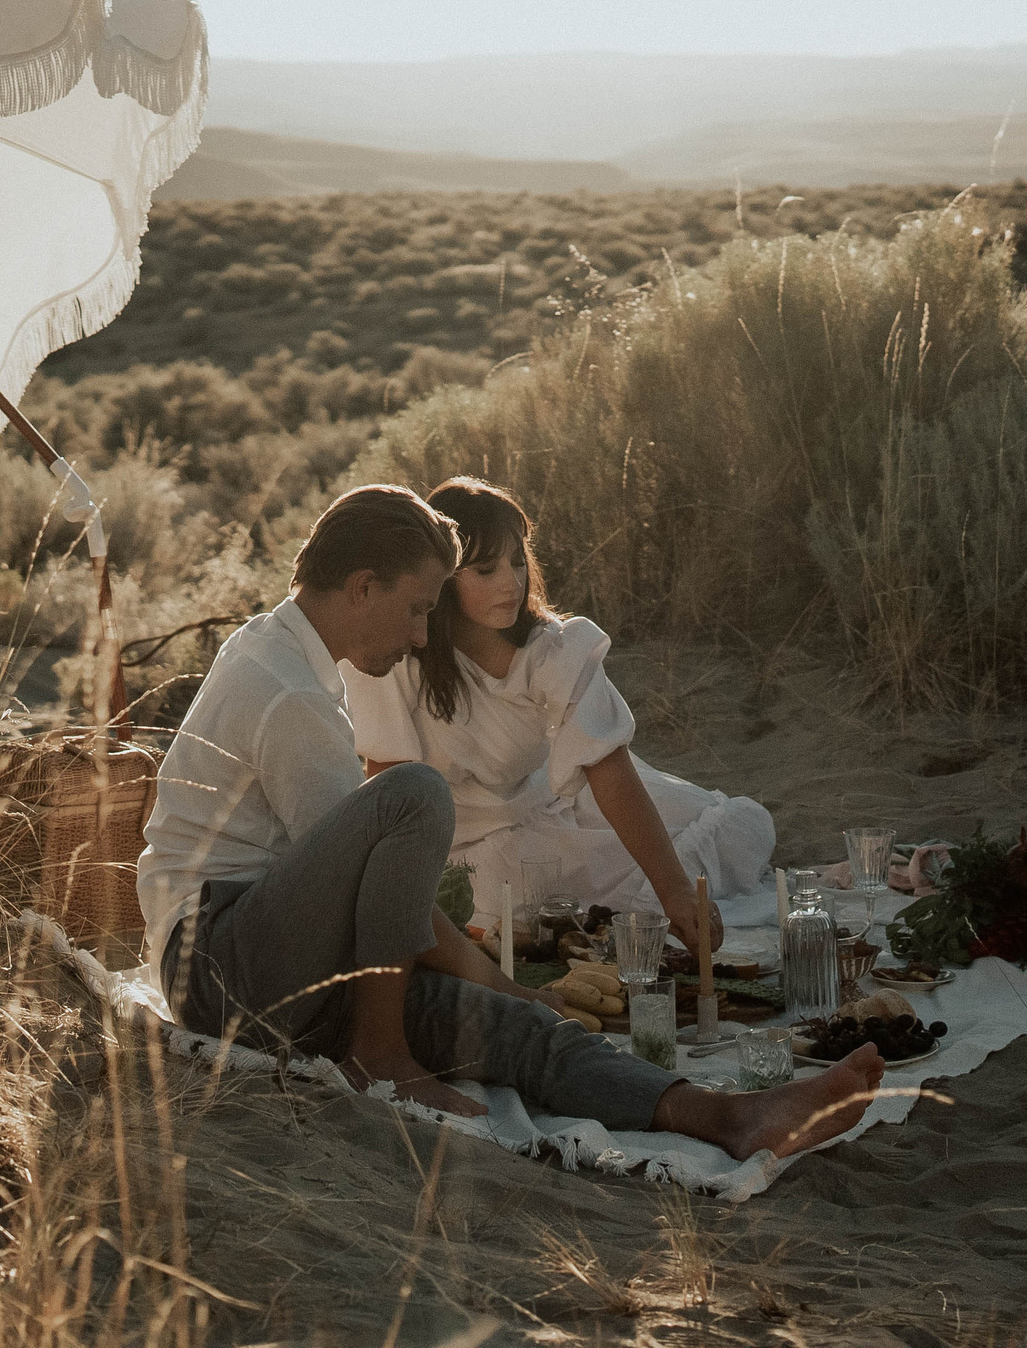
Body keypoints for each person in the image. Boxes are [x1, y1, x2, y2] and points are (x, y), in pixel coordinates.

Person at [135, 483, 880, 1151]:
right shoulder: (287, 691)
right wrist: (495, 974)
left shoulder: (285, 653)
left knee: (518, 1031)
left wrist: (512, 994)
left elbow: (375, 908)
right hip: (218, 958)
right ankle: (382, 1054)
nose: (423, 635)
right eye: (418, 608)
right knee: (417, 793)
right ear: (363, 587)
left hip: (285, 966)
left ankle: (727, 1117)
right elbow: (376, 886)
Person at [343, 477, 774, 960]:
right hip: (465, 848)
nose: (510, 581)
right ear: (440, 580)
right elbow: (384, 783)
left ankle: (646, 900)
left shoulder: (553, 649)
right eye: (486, 569)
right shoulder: (398, 653)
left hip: (554, 802)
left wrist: (673, 889)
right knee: (524, 892)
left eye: (517, 560)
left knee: (741, 827)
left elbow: (607, 768)